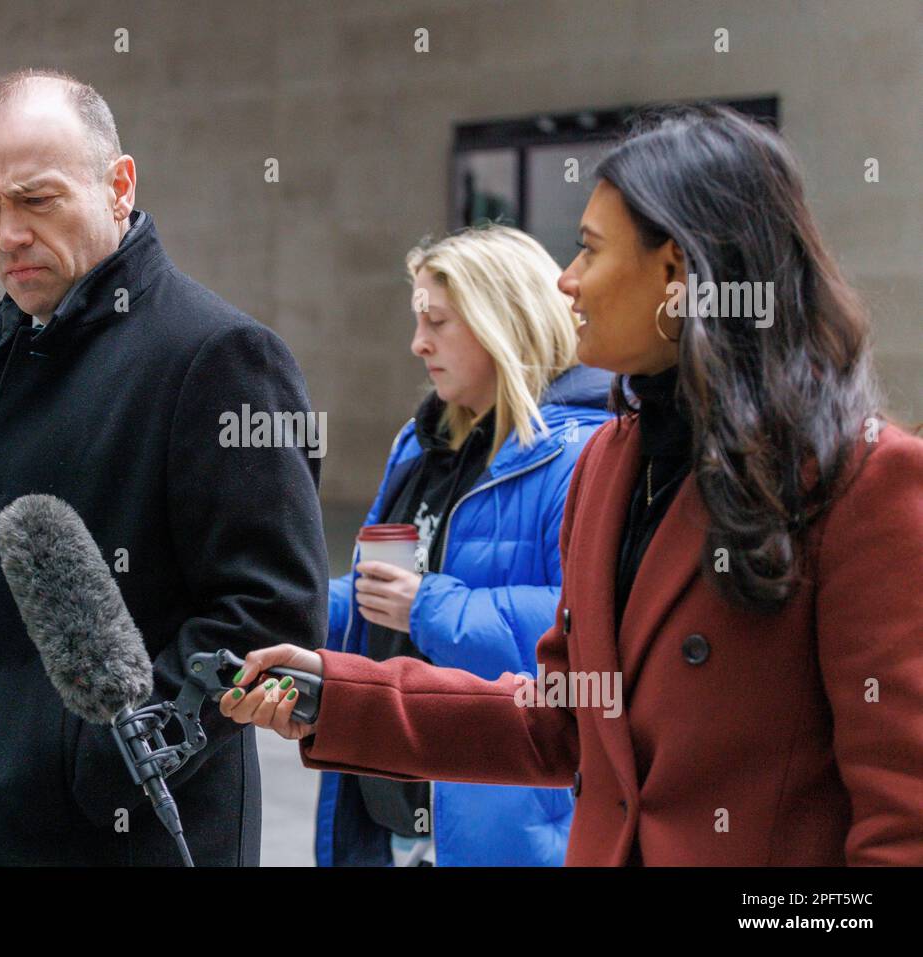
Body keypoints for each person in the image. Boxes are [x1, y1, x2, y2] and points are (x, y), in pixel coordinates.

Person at [221, 104, 923, 866]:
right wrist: (338, 692)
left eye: (588, 250)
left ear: (677, 272)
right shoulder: (611, 463)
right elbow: (558, 720)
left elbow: (902, 822)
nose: (567, 279)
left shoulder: (864, 484)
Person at [0, 68, 328, 866]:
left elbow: (271, 613)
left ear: (119, 185)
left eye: (36, 200)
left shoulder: (221, 357)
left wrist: (89, 760)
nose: (5, 233)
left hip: (102, 841)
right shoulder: (13, 351)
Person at [314, 225, 612, 866]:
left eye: (439, 322)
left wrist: (430, 607)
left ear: (504, 321)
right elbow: (375, 590)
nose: (417, 343)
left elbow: (588, 630)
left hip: (504, 824)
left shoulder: (585, 454)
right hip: (394, 815)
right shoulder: (420, 444)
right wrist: (292, 607)